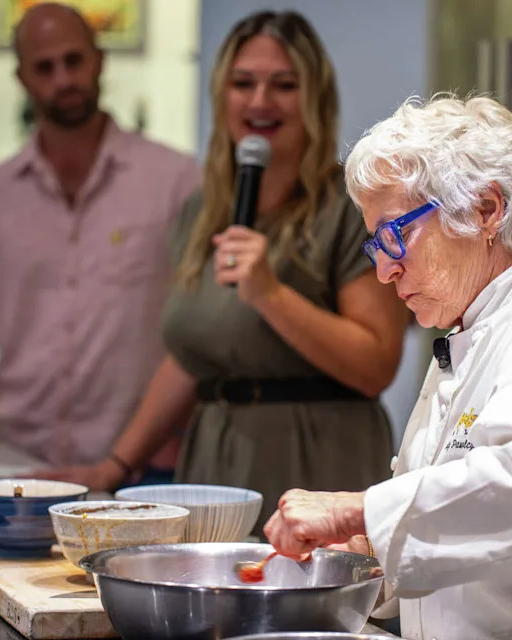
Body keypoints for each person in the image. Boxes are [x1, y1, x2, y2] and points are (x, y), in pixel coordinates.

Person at [264, 94, 512, 638]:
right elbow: (456, 520)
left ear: (485, 210)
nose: (384, 270)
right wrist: (365, 549)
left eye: (396, 234)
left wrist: (353, 512)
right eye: (375, 243)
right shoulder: (474, 328)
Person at [34, 11, 410, 530]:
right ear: (222, 97)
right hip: (216, 462)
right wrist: (115, 466)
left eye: (283, 85)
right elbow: (193, 356)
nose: (259, 101)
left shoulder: (350, 207)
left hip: (316, 462)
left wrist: (271, 294)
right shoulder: (203, 209)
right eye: (243, 84)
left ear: (314, 99)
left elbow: (376, 364)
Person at [0, 2, 199, 476]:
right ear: (22, 78)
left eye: (74, 60)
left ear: (99, 60)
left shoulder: (178, 182)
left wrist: (180, 429)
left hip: (143, 464)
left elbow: (201, 327)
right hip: (17, 463)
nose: (63, 79)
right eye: (44, 67)